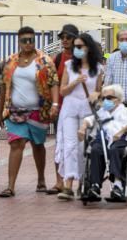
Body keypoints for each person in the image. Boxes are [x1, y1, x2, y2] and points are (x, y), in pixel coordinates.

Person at [0, 26, 59, 197]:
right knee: (16, 144)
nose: (28, 43)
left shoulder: (44, 61)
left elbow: (54, 83)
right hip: (15, 111)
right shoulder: (10, 61)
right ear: (19, 42)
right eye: (24, 40)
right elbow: (4, 87)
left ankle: (41, 180)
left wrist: (54, 104)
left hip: (38, 111)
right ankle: (10, 186)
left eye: (31, 40)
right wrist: (0, 110)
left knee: (38, 145)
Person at [55, 33, 103, 201]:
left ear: (88, 48)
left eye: (80, 46)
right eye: (75, 46)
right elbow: (62, 91)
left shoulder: (97, 68)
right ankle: (68, 183)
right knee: (69, 146)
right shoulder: (69, 66)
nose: (77, 49)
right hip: (70, 109)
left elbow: (99, 90)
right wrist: (75, 82)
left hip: (87, 111)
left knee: (84, 148)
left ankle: (83, 182)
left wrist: (96, 95)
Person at [78, 84, 127, 201]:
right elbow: (89, 120)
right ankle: (95, 186)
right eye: (104, 98)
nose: (106, 101)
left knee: (114, 150)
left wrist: (121, 132)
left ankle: (117, 185)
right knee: (95, 150)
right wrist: (82, 128)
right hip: (102, 139)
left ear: (118, 99)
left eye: (109, 98)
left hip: (120, 140)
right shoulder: (102, 111)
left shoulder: (126, 111)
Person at [47, 24, 79, 195]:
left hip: (79, 108)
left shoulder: (81, 58)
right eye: (62, 37)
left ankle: (74, 180)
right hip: (61, 108)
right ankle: (59, 181)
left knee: (75, 145)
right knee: (60, 144)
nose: (65, 40)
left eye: (68, 37)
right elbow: (51, 82)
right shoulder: (58, 58)